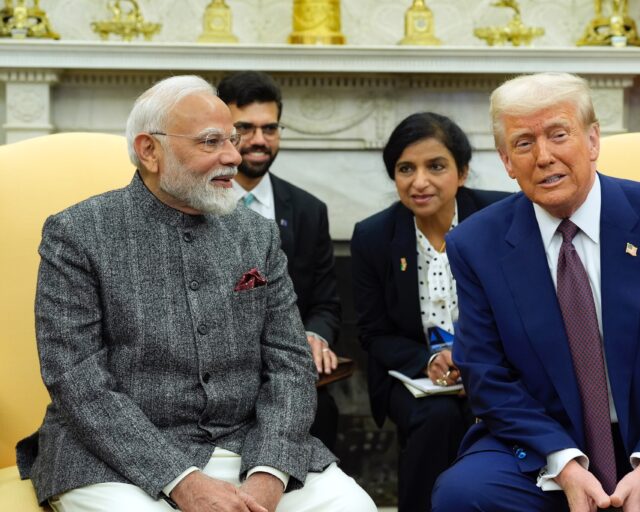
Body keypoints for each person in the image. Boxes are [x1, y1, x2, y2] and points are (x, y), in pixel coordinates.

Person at [16, 75, 376, 512]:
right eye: (211, 142)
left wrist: (270, 473)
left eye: (231, 138)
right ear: (150, 150)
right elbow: (76, 379)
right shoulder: (77, 234)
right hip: (112, 457)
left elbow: (290, 364)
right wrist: (181, 481)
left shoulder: (256, 234)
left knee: (352, 506)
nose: (232, 156)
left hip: (247, 445)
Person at [431, 72, 640, 511]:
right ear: (507, 161)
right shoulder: (476, 244)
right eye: (524, 143)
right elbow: (486, 372)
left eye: (559, 134)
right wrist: (565, 465)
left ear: (592, 140)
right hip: (545, 438)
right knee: (463, 496)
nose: (544, 156)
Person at [351, 112, 509, 512]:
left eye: (435, 166)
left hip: (492, 367)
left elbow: (522, 312)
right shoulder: (373, 236)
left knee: (486, 408)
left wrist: (474, 359)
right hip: (414, 377)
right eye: (406, 169)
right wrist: (430, 359)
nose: (419, 182)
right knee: (436, 416)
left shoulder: (500, 218)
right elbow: (372, 333)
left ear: (462, 171)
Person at [217, 71, 342, 452]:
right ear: (223, 129)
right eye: (245, 128)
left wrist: (315, 336)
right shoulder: (192, 202)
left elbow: (326, 303)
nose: (259, 140)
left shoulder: (308, 210)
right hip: (213, 377)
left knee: (326, 412)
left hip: (287, 372)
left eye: (270, 128)